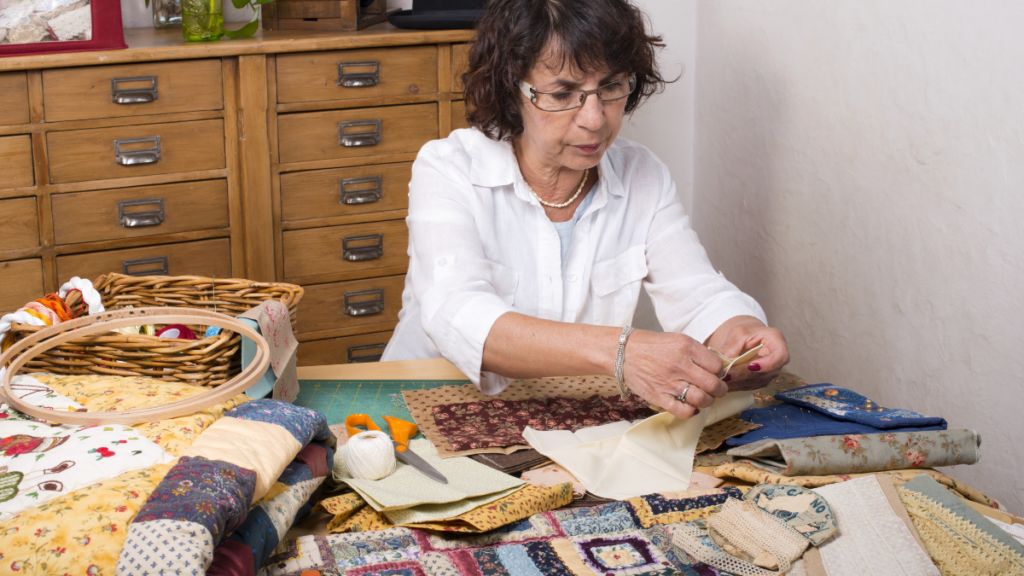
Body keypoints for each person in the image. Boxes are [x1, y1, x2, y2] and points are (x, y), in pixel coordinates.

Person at [381, 0, 789, 419]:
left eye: (611, 87)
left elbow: (698, 295)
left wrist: (744, 332)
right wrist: (623, 351)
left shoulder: (642, 173)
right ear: (511, 89)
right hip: (424, 405)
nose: (594, 119)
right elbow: (459, 314)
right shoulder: (449, 167)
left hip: (560, 415)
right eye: (562, 94)